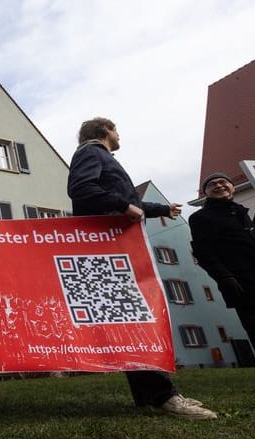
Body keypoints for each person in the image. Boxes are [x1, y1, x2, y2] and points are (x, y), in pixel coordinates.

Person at [67, 117, 216, 420]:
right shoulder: (90, 153)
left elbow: (128, 201)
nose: (119, 133)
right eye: (115, 128)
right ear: (103, 132)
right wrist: (123, 206)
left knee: (130, 320)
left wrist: (162, 209)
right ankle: (163, 396)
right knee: (137, 318)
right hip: (108, 248)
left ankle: (152, 395)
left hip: (116, 247)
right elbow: (81, 189)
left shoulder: (103, 157)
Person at [189, 172, 255, 394]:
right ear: (205, 193)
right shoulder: (201, 218)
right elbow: (203, 251)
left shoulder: (241, 212)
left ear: (232, 187)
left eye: (223, 182)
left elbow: (250, 242)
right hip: (240, 283)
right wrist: (224, 276)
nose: (219, 185)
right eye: (213, 184)